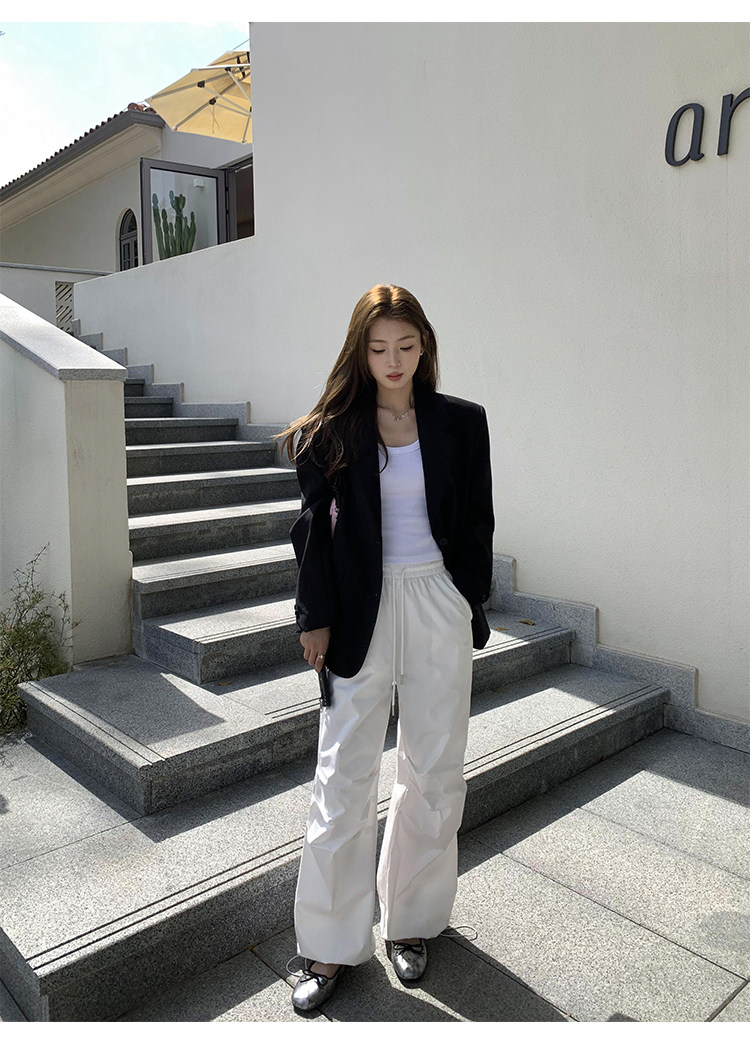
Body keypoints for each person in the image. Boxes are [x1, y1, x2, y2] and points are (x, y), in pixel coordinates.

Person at [275, 284, 494, 1011]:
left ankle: (412, 922)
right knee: (342, 777)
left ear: (423, 344)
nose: (393, 360)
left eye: (405, 345)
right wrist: (314, 616)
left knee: (434, 770)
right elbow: (312, 531)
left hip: (437, 599)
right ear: (360, 352)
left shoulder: (463, 422)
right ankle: (328, 944)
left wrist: (466, 597)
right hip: (358, 613)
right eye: (378, 348)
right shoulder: (332, 432)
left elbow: (479, 520)